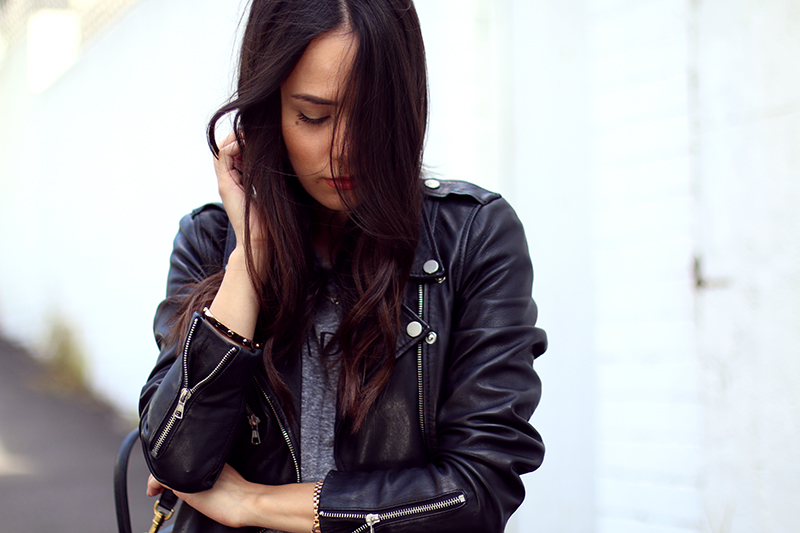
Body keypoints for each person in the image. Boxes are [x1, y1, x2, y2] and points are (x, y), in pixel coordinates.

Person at [138, 1, 547, 532]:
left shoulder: (471, 237)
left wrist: (254, 504)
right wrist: (251, 260)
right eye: (313, 116)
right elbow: (175, 460)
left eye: (373, 114)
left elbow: (477, 489)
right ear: (268, 112)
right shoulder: (213, 240)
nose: (344, 151)